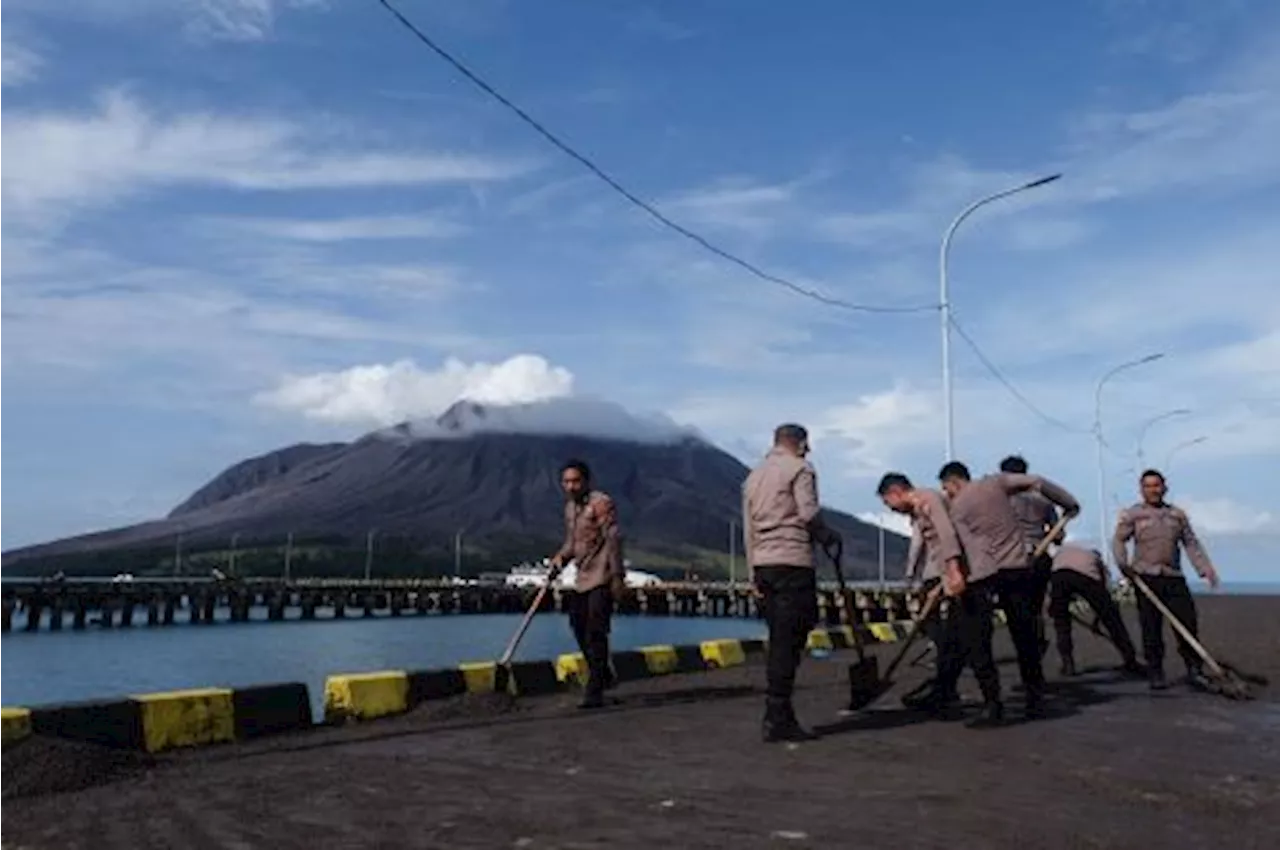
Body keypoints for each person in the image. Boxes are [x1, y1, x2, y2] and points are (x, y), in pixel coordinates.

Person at [938, 461, 1080, 722]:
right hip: (1016, 567)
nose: (947, 494)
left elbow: (952, 543)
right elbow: (1037, 481)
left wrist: (954, 573)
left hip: (981, 575)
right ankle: (1034, 698)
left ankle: (993, 704)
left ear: (954, 482)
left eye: (947, 488)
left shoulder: (956, 508)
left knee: (978, 640)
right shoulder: (997, 483)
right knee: (1024, 634)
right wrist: (1069, 503)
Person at [743, 423, 841, 743]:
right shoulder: (800, 469)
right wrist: (827, 535)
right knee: (793, 634)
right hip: (793, 560)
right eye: (807, 445)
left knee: (779, 635)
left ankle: (778, 710)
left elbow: (748, 531)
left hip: (764, 565)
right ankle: (777, 712)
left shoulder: (752, 477)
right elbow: (808, 512)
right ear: (799, 444)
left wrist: (752, 573)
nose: (809, 450)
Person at [1112, 469, 1221, 691]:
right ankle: (1155, 672)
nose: (1153, 490)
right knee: (1150, 627)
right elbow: (1119, 541)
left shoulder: (1176, 515)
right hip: (1145, 577)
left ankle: (1194, 670)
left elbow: (1191, 543)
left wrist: (1205, 569)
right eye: (1148, 486)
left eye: (1157, 485)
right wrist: (1124, 566)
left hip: (1172, 576)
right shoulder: (1133, 515)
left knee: (1187, 623)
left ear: (1164, 487)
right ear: (1142, 490)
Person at [548, 459, 627, 710]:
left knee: (596, 630)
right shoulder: (571, 509)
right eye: (566, 482)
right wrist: (560, 559)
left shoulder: (601, 503)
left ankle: (595, 690)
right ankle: (602, 673)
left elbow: (613, 539)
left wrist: (617, 576)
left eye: (575, 481)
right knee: (577, 625)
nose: (571, 486)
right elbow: (573, 543)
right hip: (582, 578)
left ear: (586, 481)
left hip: (602, 575)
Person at [880, 474, 963, 708]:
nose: (891, 509)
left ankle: (946, 689)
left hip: (947, 571)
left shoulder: (929, 500)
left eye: (888, 503)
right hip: (936, 573)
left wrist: (953, 570)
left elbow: (947, 533)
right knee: (937, 630)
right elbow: (919, 543)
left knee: (954, 633)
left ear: (895, 492)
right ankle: (944, 686)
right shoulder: (917, 511)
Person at [1047, 537, 1144, 678]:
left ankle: (1068, 664)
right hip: (1086, 577)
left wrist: (1054, 607)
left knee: (1061, 623)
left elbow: (1051, 586)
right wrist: (1098, 620)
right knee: (1112, 618)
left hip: (1059, 575)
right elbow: (1104, 597)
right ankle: (1130, 658)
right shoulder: (1095, 559)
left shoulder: (1062, 552)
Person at [999, 455, 1059, 657]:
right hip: (1039, 555)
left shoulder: (1002, 500)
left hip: (1011, 559)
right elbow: (1058, 535)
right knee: (1035, 606)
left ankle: (1027, 649)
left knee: (1016, 608)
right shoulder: (1043, 500)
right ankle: (1037, 642)